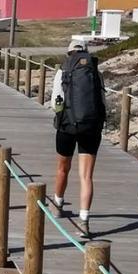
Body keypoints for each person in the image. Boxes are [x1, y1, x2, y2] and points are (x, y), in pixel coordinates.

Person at [50, 40, 106, 239]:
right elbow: (102, 101)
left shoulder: (63, 70)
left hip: (67, 126)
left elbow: (56, 100)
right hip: (91, 127)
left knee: (63, 168)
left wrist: (60, 118)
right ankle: (84, 222)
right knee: (86, 177)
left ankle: (58, 204)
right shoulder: (95, 71)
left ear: (68, 53)